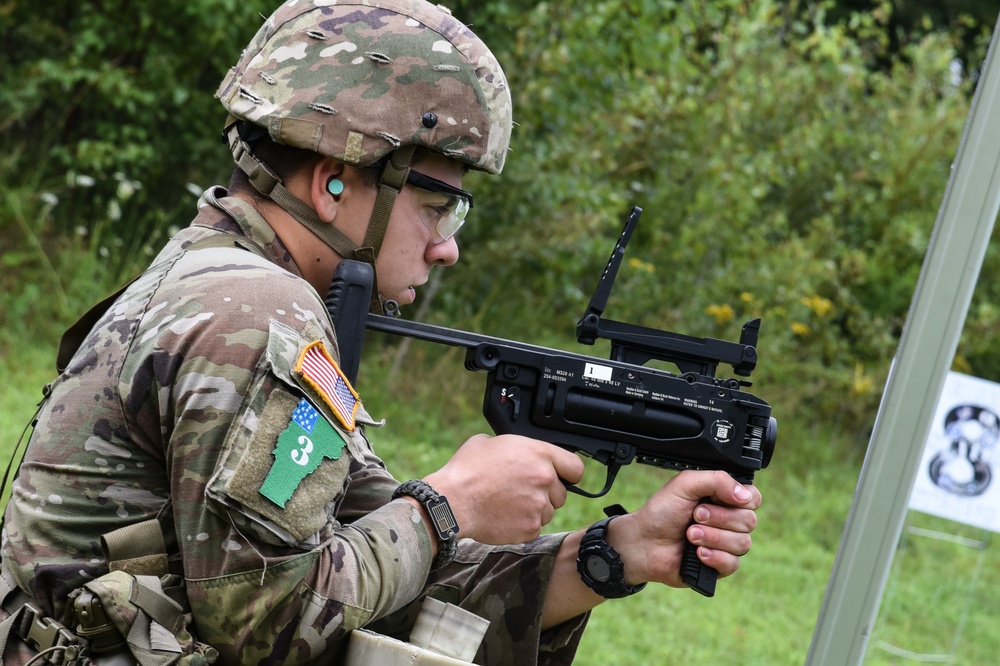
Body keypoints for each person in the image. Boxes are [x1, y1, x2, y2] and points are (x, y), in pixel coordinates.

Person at [0, 1, 762, 664]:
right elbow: (268, 627)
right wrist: (448, 504)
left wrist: (610, 557)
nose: (447, 246)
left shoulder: (221, 275)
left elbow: (370, 571)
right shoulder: (259, 312)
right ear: (335, 182)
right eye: (440, 207)